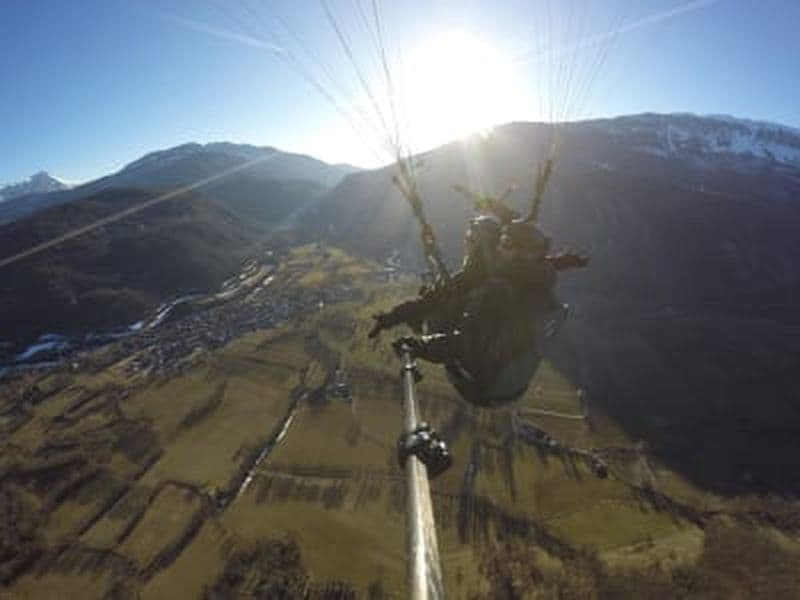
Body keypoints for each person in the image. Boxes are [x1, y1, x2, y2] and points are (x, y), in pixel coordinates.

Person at [372, 214, 589, 408]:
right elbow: (539, 263)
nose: (499, 248)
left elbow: (465, 342)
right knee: (447, 300)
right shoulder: (539, 278)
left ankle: (418, 322)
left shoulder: (494, 291)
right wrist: (565, 261)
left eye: (505, 244)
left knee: (439, 302)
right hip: (514, 386)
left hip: (479, 389)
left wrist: (419, 346)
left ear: (521, 254)